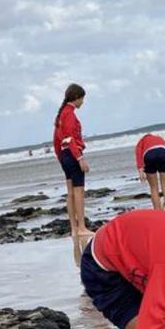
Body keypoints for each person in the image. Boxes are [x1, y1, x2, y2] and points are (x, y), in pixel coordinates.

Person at [52, 83, 90, 241]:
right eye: (82, 99)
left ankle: (74, 228)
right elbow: (69, 138)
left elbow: (56, 140)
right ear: (76, 97)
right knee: (78, 192)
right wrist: (79, 158)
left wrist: (61, 159)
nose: (82, 102)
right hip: (73, 154)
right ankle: (81, 227)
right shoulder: (69, 114)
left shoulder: (61, 115)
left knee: (70, 193)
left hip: (65, 156)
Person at [135, 133, 165, 211]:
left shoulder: (142, 140)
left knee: (154, 188)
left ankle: (158, 212)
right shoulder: (161, 140)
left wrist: (140, 168)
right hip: (164, 153)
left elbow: (138, 152)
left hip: (149, 155)